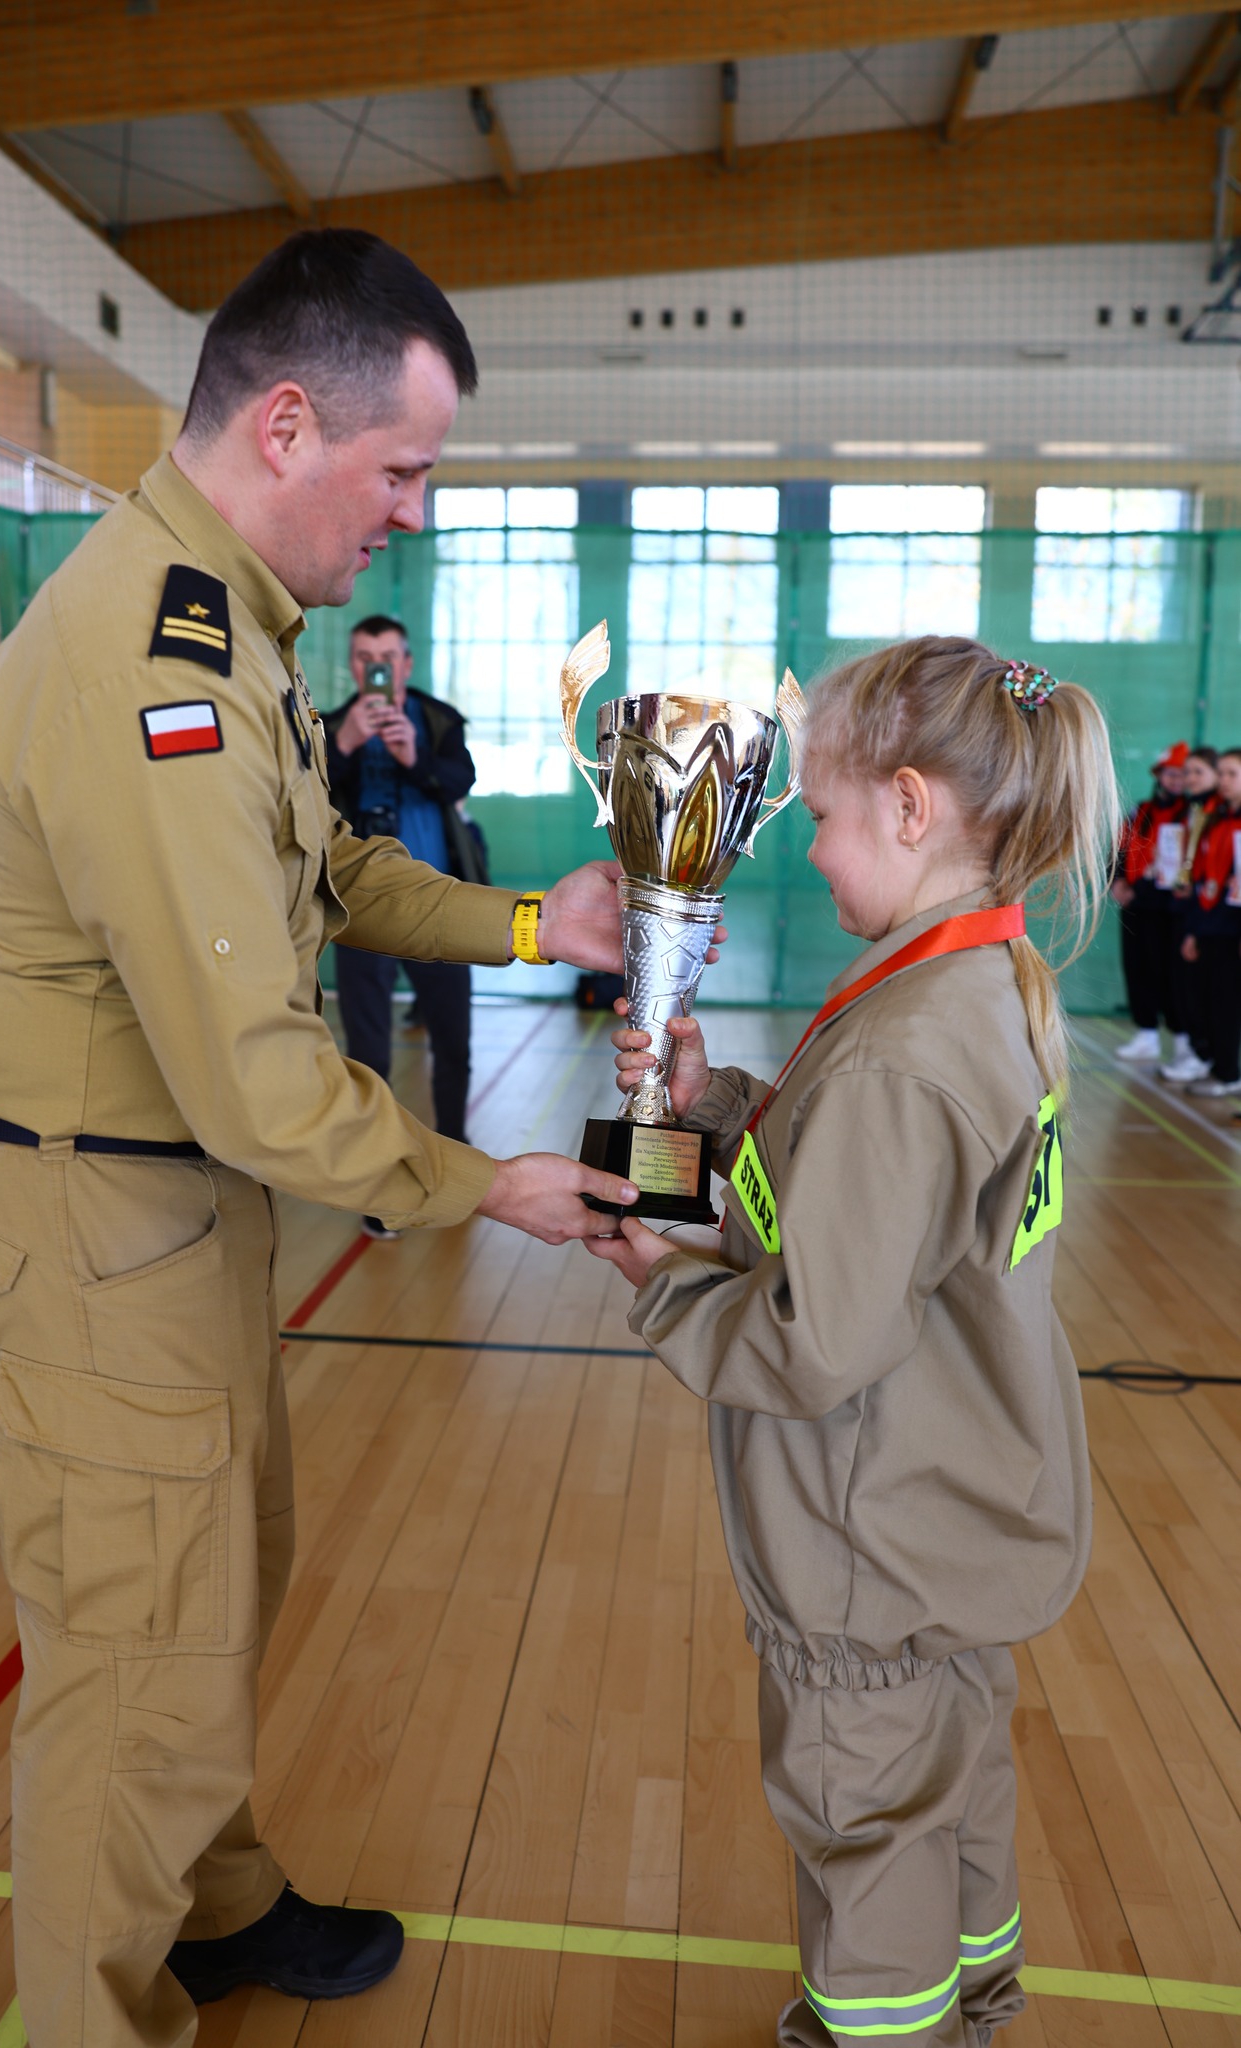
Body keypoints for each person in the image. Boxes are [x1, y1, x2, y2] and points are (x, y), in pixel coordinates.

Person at [0, 228, 682, 2048]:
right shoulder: (146, 667)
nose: (409, 511)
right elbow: (261, 1075)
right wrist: (483, 1181)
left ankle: (213, 1902)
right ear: (284, 422)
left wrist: (528, 926)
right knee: (131, 1666)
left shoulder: (227, 619)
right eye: (401, 467)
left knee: (210, 1583)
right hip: (94, 1223)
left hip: (159, 1220)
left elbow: (323, 867)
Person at [590, 637, 1116, 2048]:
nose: (809, 855)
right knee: (953, 1796)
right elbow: (856, 1196)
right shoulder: (968, 986)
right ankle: (975, 2003)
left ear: (905, 804)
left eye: (818, 819)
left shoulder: (904, 1047)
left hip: (865, 1541)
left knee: (868, 1828)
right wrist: (709, 1112)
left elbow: (813, 1340)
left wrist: (655, 1280)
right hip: (953, 1518)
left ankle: (887, 2028)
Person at [324, 614, 478, 1238]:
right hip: (360, 912)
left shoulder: (439, 720)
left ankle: (458, 1163)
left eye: (388, 656)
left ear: (407, 663)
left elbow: (460, 780)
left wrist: (415, 758)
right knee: (369, 1051)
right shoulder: (328, 725)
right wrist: (343, 747)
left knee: (454, 1043)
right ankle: (380, 1182)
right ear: (354, 665)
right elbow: (304, 797)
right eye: (365, 658)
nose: (377, 668)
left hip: (445, 905)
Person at [1110, 740, 1187, 1062]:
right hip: (1135, 905)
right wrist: (1116, 882)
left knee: (1171, 972)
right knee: (1137, 967)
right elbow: (1118, 848)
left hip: (1168, 908)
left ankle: (1184, 1039)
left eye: (1182, 774)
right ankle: (1146, 1035)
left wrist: (1136, 888)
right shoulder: (1139, 811)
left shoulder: (1192, 816)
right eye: (1170, 773)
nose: (1175, 780)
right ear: (1159, 775)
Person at [1179, 745, 1241, 1099]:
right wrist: (1193, 930)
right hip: (1211, 924)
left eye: (1233, 774)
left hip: (1233, 927)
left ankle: (1229, 1071)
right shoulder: (1215, 820)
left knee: (1228, 1003)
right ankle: (1219, 1067)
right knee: (1212, 1000)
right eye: (1225, 774)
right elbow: (1203, 877)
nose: (1226, 781)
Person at [1160, 745, 1220, 1083]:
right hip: (1184, 905)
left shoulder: (1217, 812)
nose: (1189, 779)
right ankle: (1195, 1050)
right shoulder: (1192, 809)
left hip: (1208, 912)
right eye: (1188, 772)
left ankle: (1205, 1054)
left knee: (1202, 988)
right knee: (1180, 984)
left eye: (1198, 772)